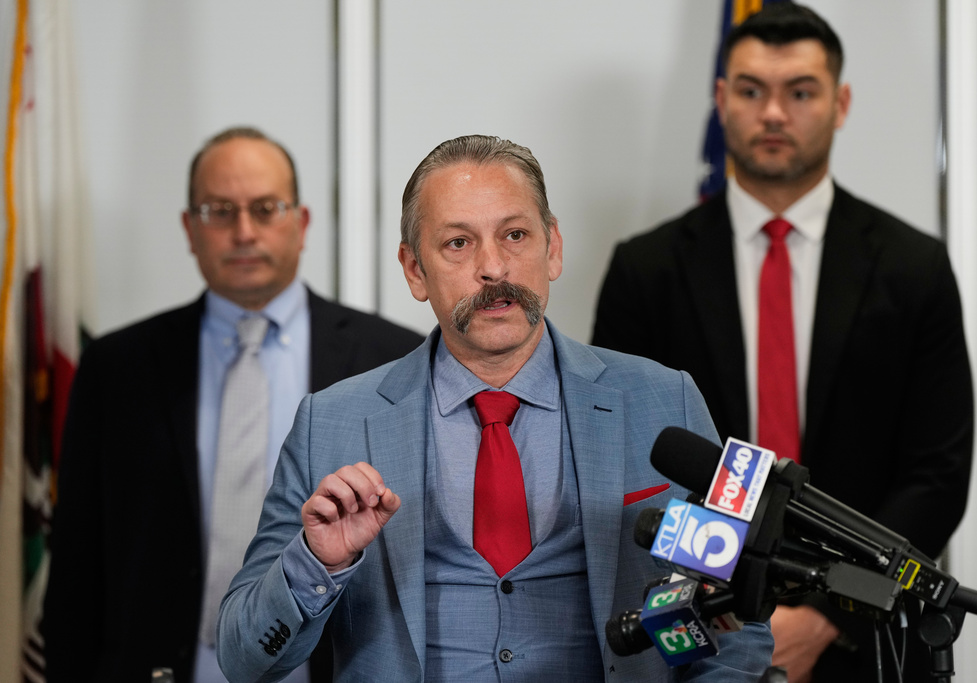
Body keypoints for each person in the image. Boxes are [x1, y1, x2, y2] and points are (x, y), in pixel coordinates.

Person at [215, 135, 774, 682]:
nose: (494, 268)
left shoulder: (665, 398)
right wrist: (319, 562)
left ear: (552, 248)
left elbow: (733, 621)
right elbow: (243, 658)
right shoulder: (329, 423)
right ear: (415, 270)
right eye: (458, 243)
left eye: (514, 235)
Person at [591, 4, 973, 683]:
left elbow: (936, 476)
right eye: (750, 90)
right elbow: (620, 464)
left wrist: (827, 613)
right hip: (700, 635)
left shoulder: (914, 269)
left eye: (799, 91)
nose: (773, 112)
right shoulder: (645, 270)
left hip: (873, 640)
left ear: (840, 102)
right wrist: (730, 607)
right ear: (720, 99)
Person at [42, 126, 424, 683]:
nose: (244, 232)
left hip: (333, 668)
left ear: (302, 222)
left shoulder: (392, 358)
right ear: (189, 228)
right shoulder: (115, 367)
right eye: (219, 210)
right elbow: (78, 564)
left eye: (266, 208)